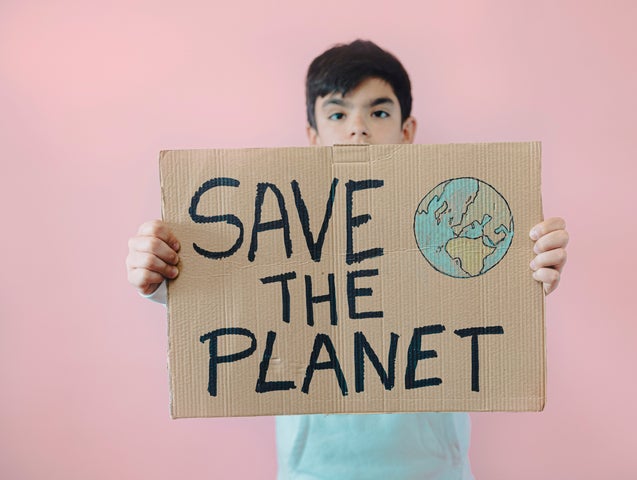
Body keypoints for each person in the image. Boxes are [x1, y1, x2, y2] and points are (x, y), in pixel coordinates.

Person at [126, 40, 569, 479]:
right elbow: (229, 289)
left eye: (378, 112)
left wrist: (531, 266)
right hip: (312, 471)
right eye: (338, 114)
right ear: (313, 136)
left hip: (432, 471)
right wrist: (161, 272)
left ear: (407, 130)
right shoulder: (278, 228)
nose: (357, 128)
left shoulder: (448, 223)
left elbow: (493, 295)